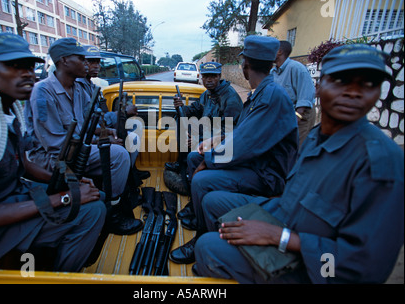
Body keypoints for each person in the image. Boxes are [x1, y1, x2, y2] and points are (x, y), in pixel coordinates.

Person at [194, 44, 404, 284]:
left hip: (313, 265)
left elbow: (365, 268)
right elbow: (292, 196)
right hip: (285, 216)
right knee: (213, 202)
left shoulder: (381, 162)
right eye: (340, 81)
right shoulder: (317, 136)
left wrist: (281, 238)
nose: (353, 93)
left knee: (209, 247)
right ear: (318, 86)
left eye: (367, 84)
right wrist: (260, 219)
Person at [0, 33, 106, 277]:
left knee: (98, 197)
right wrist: (65, 198)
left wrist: (69, 182)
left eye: (28, 66)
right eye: (13, 66)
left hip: (10, 201)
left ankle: (48, 265)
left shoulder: (3, 108)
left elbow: (23, 163)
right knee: (92, 211)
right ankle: (59, 277)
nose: (27, 74)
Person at [169, 36, 298, 264]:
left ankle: (203, 237)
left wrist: (207, 160)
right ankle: (200, 220)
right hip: (255, 164)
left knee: (201, 179)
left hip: (265, 175)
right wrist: (217, 139)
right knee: (198, 165)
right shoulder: (262, 92)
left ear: (245, 65)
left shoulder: (269, 97)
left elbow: (242, 145)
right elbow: (241, 131)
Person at [25, 38, 142, 235]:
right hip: (53, 158)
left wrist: (107, 133)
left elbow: (90, 123)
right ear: (63, 61)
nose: (86, 64)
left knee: (122, 144)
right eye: (81, 59)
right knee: (118, 154)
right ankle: (112, 213)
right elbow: (56, 145)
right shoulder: (43, 92)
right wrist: (101, 142)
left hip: (76, 149)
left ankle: (116, 198)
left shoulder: (79, 90)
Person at [166, 61, 244, 228]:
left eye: (213, 76)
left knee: (194, 154)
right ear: (201, 77)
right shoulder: (207, 94)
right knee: (180, 126)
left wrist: (198, 141)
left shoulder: (230, 98)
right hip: (208, 137)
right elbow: (194, 110)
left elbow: (230, 133)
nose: (209, 80)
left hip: (225, 145)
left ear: (219, 76)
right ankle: (189, 185)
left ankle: (197, 205)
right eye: (206, 76)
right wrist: (182, 108)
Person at [77, 45, 149, 181]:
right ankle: (125, 179)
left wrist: (119, 113)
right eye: (91, 62)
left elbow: (102, 114)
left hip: (98, 127)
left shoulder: (91, 86)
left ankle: (130, 170)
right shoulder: (79, 88)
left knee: (136, 125)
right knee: (131, 139)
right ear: (82, 63)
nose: (96, 66)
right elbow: (92, 120)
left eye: (98, 62)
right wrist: (119, 114)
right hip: (91, 133)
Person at [271, 40, 316, 145]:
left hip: (302, 114)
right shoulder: (273, 72)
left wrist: (296, 118)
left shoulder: (296, 68)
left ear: (279, 51)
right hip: (286, 116)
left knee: (296, 147)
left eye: (272, 49)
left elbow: (305, 96)